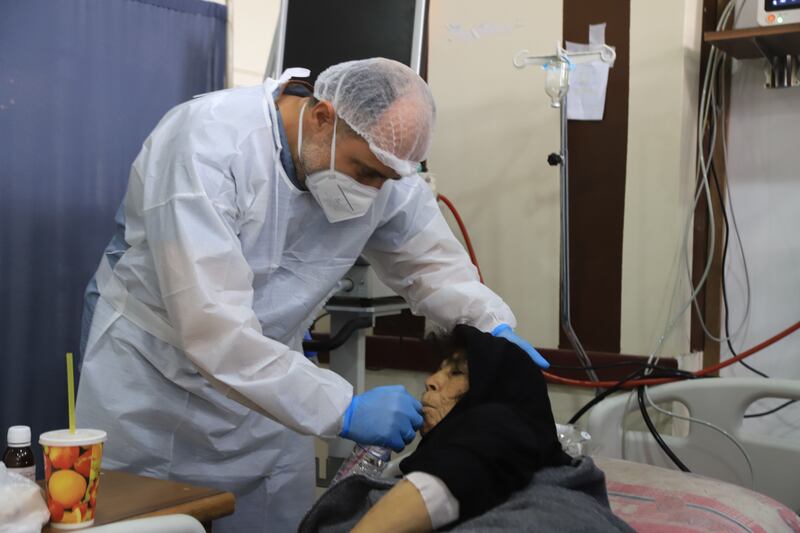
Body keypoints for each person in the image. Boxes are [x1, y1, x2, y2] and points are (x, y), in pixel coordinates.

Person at [75, 58, 547, 532]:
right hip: (154, 386)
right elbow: (211, 326)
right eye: (363, 173)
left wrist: (490, 324)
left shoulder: (381, 166)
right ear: (322, 116)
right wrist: (345, 408)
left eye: (385, 179)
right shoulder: (208, 143)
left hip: (271, 395)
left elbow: (432, 265)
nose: (372, 192)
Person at [299, 326, 634, 532]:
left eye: (455, 373)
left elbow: (471, 458)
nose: (431, 381)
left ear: (497, 395)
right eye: (439, 370)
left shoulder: (505, 430)